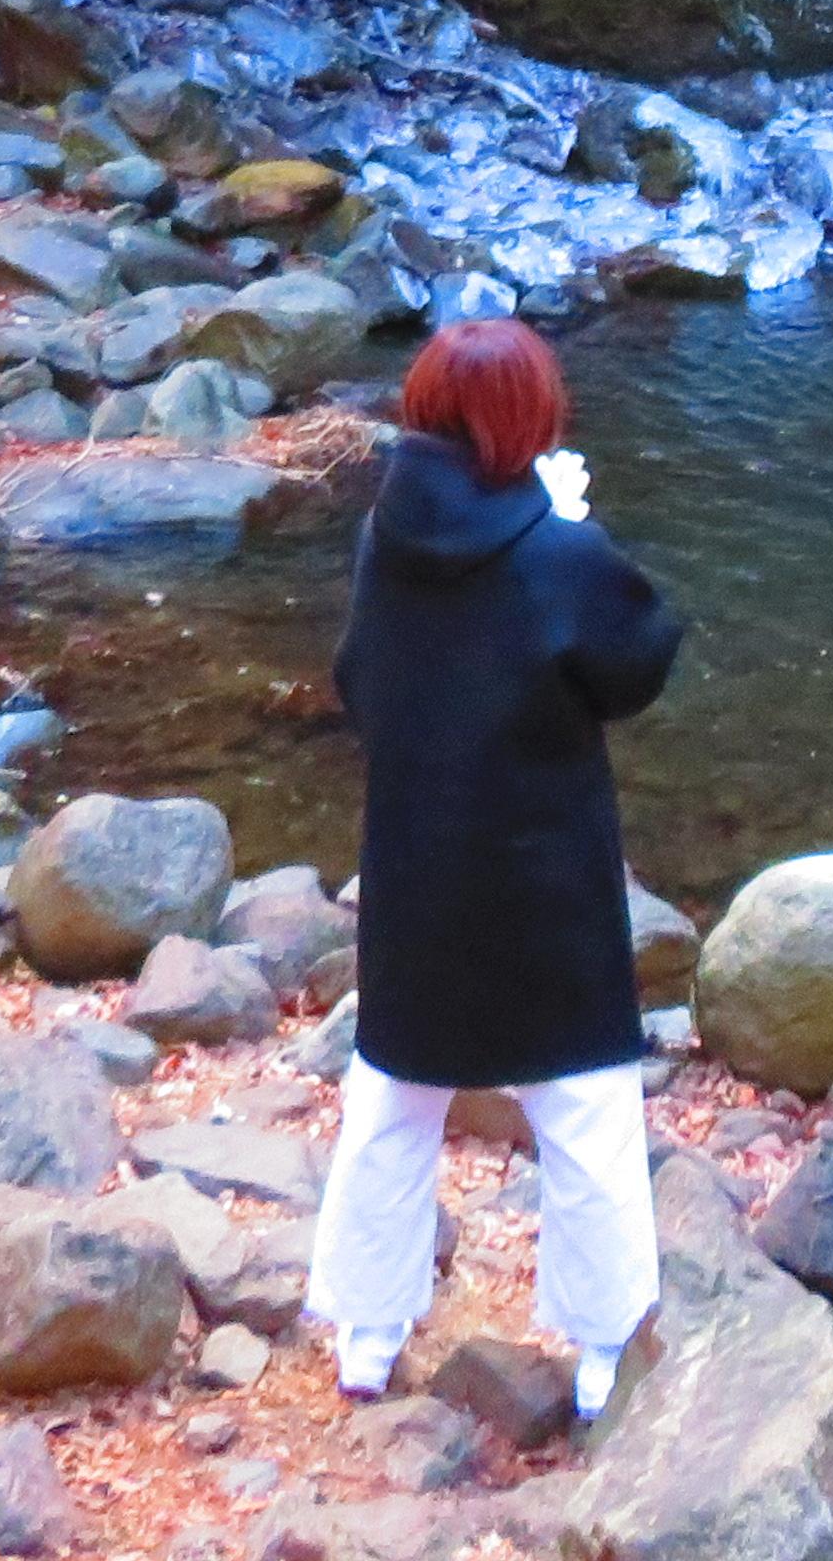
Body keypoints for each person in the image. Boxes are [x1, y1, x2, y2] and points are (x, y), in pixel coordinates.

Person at [307, 318, 686, 1419]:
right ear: (528, 423)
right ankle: (607, 1348)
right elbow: (637, 659)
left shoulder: (385, 537)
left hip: (419, 869)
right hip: (542, 878)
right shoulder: (557, 550)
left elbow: (358, 680)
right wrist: (578, 524)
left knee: (393, 1102)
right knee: (585, 1110)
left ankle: (366, 1342)